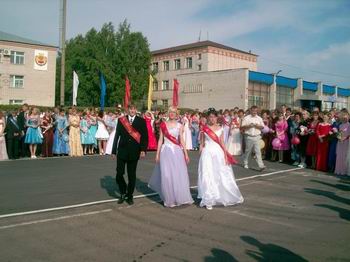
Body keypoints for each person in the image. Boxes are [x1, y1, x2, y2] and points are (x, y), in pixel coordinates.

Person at [198, 108, 243, 210]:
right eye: (210, 117)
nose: (212, 119)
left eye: (214, 116)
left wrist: (226, 155)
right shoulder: (204, 129)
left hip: (218, 153)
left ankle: (220, 195)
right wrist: (200, 154)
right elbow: (201, 143)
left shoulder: (220, 128)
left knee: (220, 174)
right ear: (208, 117)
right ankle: (208, 199)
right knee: (207, 175)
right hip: (207, 153)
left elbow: (222, 142)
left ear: (217, 118)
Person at [148, 107, 193, 207]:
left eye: (174, 112)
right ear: (168, 113)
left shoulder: (180, 126)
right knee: (167, 175)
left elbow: (181, 140)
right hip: (166, 151)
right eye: (170, 112)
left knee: (177, 174)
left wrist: (186, 154)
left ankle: (179, 197)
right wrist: (157, 154)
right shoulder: (163, 125)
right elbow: (160, 140)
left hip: (177, 151)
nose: (172, 114)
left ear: (176, 114)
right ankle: (169, 199)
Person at [112, 104, 148, 205]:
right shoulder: (121, 120)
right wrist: (114, 151)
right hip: (122, 151)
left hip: (134, 151)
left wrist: (143, 150)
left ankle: (130, 195)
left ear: (136, 110)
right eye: (130, 109)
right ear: (128, 110)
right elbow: (117, 136)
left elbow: (144, 137)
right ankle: (123, 192)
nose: (132, 111)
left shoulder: (141, 121)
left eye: (134, 109)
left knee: (132, 175)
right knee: (119, 174)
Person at [241, 106, 266, 171]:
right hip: (249, 136)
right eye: (253, 110)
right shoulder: (246, 118)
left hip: (257, 136)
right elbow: (242, 127)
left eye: (255, 111)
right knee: (247, 151)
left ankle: (261, 165)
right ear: (250, 110)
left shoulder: (259, 118)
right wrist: (249, 125)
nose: (254, 112)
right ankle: (245, 163)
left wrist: (258, 126)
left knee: (258, 152)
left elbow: (262, 127)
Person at [334, 112, 350, 176]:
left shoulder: (349, 125)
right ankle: (339, 170)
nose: (345, 118)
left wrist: (345, 138)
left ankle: (344, 171)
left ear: (348, 117)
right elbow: (339, 133)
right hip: (340, 142)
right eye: (343, 117)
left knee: (345, 156)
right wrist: (338, 137)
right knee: (339, 156)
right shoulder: (340, 125)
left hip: (347, 143)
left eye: (346, 117)